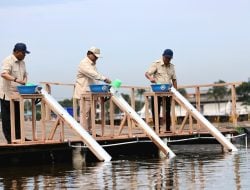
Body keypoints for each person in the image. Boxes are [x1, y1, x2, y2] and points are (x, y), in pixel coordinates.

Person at [73, 46, 111, 133]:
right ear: (89, 54)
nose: (96, 58)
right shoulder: (84, 63)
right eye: (95, 56)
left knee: (91, 114)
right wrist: (105, 79)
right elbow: (93, 74)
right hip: (84, 92)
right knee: (85, 113)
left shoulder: (92, 64)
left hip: (91, 91)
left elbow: (94, 77)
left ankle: (89, 131)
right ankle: (83, 132)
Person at [0, 43, 29, 143]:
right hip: (7, 94)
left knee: (18, 118)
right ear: (17, 52)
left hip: (18, 94)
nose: (25, 55)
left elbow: (25, 74)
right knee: (7, 120)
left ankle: (21, 137)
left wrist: (25, 80)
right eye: (23, 53)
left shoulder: (22, 62)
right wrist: (16, 80)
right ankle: (11, 140)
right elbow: (4, 74)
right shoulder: (8, 60)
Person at [145, 49, 177, 132]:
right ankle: (157, 128)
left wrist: (176, 92)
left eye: (169, 58)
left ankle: (168, 128)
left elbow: (174, 80)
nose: (167, 60)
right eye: (166, 58)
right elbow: (147, 73)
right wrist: (150, 78)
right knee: (156, 110)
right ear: (163, 56)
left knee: (167, 110)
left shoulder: (172, 66)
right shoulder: (156, 64)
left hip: (167, 91)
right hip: (156, 91)